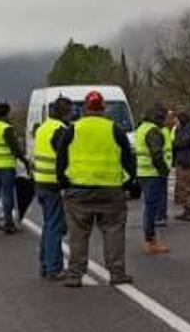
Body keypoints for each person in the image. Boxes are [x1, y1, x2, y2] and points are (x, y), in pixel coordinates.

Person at [55, 90, 136, 287]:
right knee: (113, 231)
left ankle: (75, 274)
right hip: (110, 190)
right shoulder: (115, 129)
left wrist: (64, 182)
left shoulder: (72, 130)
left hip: (78, 190)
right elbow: (128, 159)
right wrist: (129, 182)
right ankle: (117, 272)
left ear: (84, 108)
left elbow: (61, 159)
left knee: (78, 234)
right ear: (103, 108)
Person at [33, 98, 71, 277]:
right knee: (55, 226)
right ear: (66, 113)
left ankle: (45, 264)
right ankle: (54, 268)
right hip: (53, 183)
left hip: (40, 181)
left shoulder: (42, 128)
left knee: (48, 224)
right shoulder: (60, 130)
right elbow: (65, 158)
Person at [0, 102, 31, 234]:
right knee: (7, 196)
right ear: (8, 113)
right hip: (5, 166)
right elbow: (15, 149)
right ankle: (8, 224)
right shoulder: (6, 128)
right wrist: (25, 162)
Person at [136, 103, 172, 255]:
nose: (164, 121)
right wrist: (164, 171)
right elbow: (156, 154)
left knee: (148, 207)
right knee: (151, 209)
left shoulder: (141, 128)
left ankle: (149, 239)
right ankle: (151, 241)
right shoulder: (153, 131)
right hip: (153, 174)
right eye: (163, 118)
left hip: (143, 173)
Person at [171, 111, 190, 221]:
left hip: (186, 160)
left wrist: (175, 140)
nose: (175, 122)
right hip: (182, 160)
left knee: (187, 187)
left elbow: (183, 142)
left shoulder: (189, 129)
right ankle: (186, 209)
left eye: (176, 119)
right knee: (183, 186)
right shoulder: (183, 129)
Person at [156, 109, 176, 226]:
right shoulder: (165, 131)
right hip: (164, 164)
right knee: (162, 192)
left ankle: (161, 216)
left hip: (161, 165)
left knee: (161, 193)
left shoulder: (161, 131)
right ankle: (162, 215)